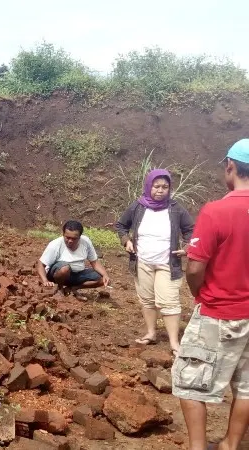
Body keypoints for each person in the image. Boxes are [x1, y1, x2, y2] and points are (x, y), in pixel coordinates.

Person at [173, 139, 249, 450]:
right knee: (246, 388)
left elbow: (194, 268)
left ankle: (198, 447)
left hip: (220, 313)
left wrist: (200, 294)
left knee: (189, 384)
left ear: (230, 166)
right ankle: (231, 445)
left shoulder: (216, 211)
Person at [115, 169, 195, 354]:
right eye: (156, 186)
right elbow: (121, 225)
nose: (160, 190)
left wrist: (189, 247)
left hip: (168, 263)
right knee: (147, 300)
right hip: (142, 261)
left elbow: (191, 229)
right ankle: (151, 333)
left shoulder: (175, 208)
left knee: (169, 301)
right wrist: (126, 241)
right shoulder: (138, 206)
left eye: (165, 187)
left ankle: (174, 343)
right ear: (149, 186)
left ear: (169, 189)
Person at [36, 220, 110, 299]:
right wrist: (45, 280)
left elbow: (94, 262)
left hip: (77, 274)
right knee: (65, 268)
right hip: (57, 274)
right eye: (67, 237)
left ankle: (73, 288)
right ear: (63, 234)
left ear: (80, 236)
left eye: (74, 238)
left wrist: (105, 275)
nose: (70, 241)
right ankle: (60, 288)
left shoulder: (86, 242)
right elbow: (40, 264)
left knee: (103, 279)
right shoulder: (55, 245)